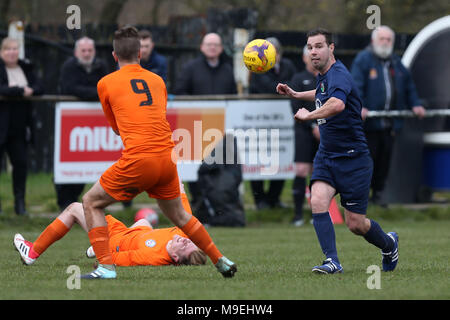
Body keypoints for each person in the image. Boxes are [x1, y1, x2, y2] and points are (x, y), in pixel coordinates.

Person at [76, 26, 235, 279]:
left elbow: (117, 129)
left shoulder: (105, 83)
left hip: (140, 158)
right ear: (140, 53)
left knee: (90, 202)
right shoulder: (158, 80)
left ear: (114, 56)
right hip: (167, 158)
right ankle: (220, 259)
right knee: (181, 216)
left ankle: (106, 267)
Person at [276, 28, 399, 274]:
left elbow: (337, 103)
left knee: (355, 224)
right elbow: (323, 94)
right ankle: (332, 261)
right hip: (327, 155)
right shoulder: (323, 75)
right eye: (310, 47)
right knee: (318, 200)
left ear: (331, 48)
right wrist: (297, 93)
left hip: (353, 159)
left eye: (319, 46)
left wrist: (309, 115)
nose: (313, 51)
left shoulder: (339, 74)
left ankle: (389, 244)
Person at [13, 180, 207, 267]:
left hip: (114, 239)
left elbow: (119, 260)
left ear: (174, 257)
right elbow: (184, 213)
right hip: (128, 232)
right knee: (143, 221)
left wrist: (102, 253)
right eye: (190, 242)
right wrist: (179, 189)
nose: (185, 241)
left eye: (186, 246)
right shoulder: (182, 237)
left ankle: (32, 252)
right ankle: (95, 246)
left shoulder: (151, 256)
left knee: (74, 207)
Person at [350, 26, 425, 206]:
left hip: (390, 124)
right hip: (369, 125)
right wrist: (360, 107)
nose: (385, 43)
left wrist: (415, 104)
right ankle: (361, 198)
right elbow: (355, 86)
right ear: (374, 41)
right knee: (367, 162)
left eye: (388, 39)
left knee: (385, 161)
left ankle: (378, 196)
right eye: (382, 39)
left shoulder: (396, 62)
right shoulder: (363, 60)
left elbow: (408, 87)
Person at [173, 32, 237, 206]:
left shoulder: (227, 70)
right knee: (195, 167)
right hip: (195, 127)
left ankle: (217, 204)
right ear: (202, 47)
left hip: (221, 128)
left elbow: (233, 97)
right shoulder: (190, 68)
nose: (212, 47)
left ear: (221, 48)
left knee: (219, 166)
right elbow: (179, 91)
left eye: (216, 44)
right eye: (209, 44)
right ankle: (198, 203)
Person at [54, 37, 109, 211]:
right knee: (68, 164)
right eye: (83, 51)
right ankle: (64, 203)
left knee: (87, 164)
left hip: (95, 123)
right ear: (77, 52)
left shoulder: (101, 67)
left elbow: (106, 87)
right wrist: (95, 93)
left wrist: (92, 93)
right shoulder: (68, 67)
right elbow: (70, 88)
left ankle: (84, 203)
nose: (86, 54)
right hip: (71, 124)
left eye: (89, 50)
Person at [249, 37, 296, 210]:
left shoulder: (288, 66)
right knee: (258, 159)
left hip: (282, 122)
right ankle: (259, 200)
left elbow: (293, 84)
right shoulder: (257, 68)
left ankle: (274, 199)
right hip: (260, 121)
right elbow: (268, 87)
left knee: (281, 158)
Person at [0, 37, 43, 215]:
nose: (12, 52)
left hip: (19, 127)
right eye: (8, 49)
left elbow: (40, 86)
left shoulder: (26, 67)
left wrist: (30, 90)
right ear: (2, 52)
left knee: (21, 165)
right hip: (1, 126)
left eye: (15, 49)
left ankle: (20, 205)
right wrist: (19, 90)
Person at [289, 45, 319, 226]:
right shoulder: (298, 79)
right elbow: (295, 107)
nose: (313, 58)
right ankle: (298, 215)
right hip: (304, 131)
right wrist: (312, 125)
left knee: (319, 173)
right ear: (304, 58)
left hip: (324, 131)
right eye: (309, 55)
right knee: (301, 170)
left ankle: (318, 214)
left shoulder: (326, 78)